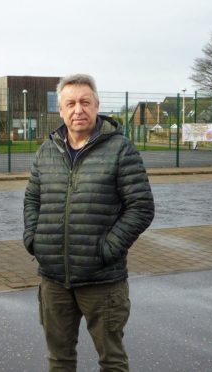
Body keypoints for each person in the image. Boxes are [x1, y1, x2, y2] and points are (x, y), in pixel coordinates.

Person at [23, 74, 155, 371]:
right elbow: (32, 198)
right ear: (60, 110)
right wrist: (34, 240)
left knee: (112, 361)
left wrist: (106, 250)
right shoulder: (47, 150)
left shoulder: (120, 149)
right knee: (59, 359)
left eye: (85, 102)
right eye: (70, 103)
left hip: (102, 280)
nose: (78, 109)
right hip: (54, 279)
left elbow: (141, 206)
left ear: (97, 106)